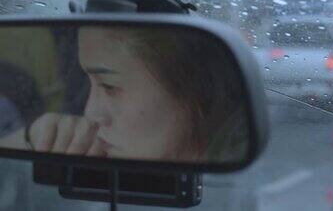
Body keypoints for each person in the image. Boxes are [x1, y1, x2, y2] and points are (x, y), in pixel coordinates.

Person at [0, 26, 248, 163]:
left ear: (196, 91)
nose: (90, 114)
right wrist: (34, 140)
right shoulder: (91, 156)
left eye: (108, 86)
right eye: (89, 84)